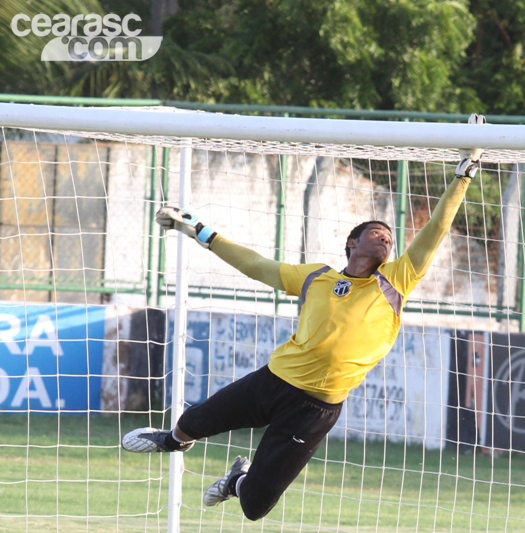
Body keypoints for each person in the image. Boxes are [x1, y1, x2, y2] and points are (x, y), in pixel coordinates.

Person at [121, 114, 487, 521]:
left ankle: (237, 481)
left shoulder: (396, 280)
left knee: (255, 507)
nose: (386, 238)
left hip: (316, 409)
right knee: (195, 419)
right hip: (275, 379)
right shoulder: (316, 277)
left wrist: (464, 175)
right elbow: (255, 264)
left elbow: (436, 230)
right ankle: (172, 441)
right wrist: (201, 232)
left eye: (390, 237)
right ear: (351, 242)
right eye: (377, 232)